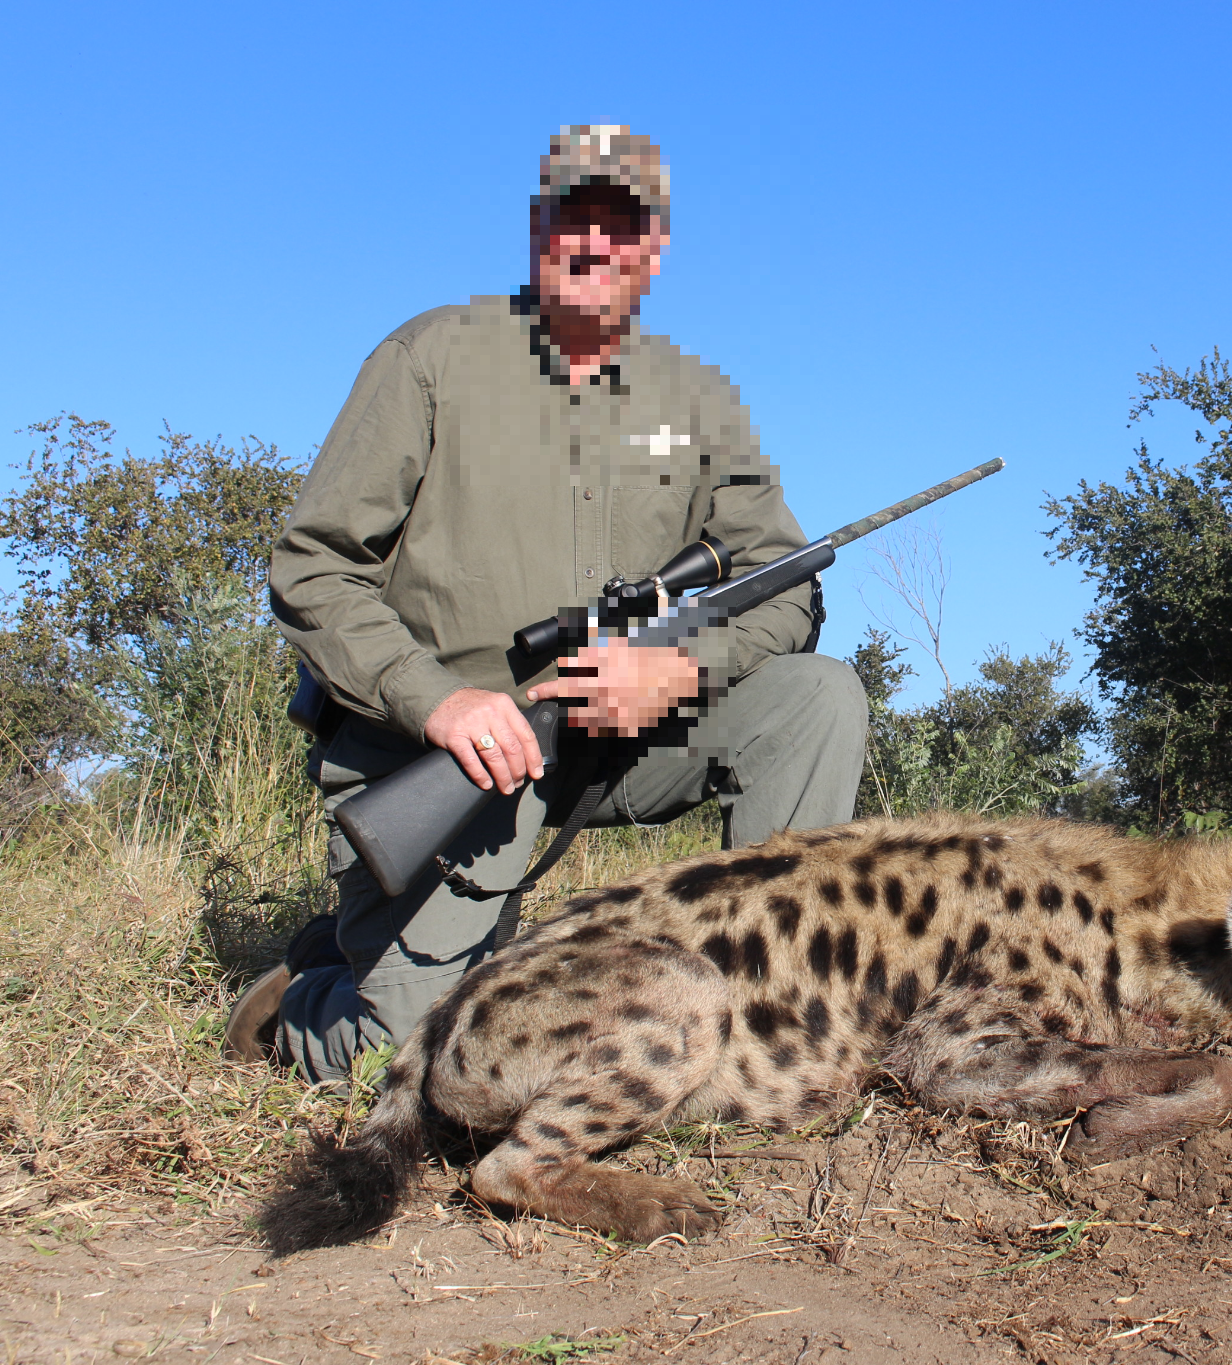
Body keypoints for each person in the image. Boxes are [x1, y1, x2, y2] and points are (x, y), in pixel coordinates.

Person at [224, 126, 868, 1083]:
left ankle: (767, 1019)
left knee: (818, 696)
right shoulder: (429, 357)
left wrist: (680, 668)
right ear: (539, 226)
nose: (595, 243)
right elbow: (312, 567)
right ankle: (305, 1003)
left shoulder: (698, 400)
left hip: (611, 743)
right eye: (576, 215)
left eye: (622, 224)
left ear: (652, 248)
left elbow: (788, 588)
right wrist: (438, 700)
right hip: (448, 758)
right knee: (424, 1063)